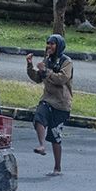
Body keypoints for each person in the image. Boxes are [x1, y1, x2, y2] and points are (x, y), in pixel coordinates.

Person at [27, 34, 73, 177]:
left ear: (59, 46)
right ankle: (41, 145)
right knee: (39, 116)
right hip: (47, 99)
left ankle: (57, 167)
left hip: (61, 103)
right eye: (48, 43)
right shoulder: (46, 60)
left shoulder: (66, 61)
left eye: (52, 44)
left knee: (55, 135)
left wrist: (46, 71)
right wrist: (30, 65)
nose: (49, 46)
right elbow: (37, 78)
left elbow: (62, 79)